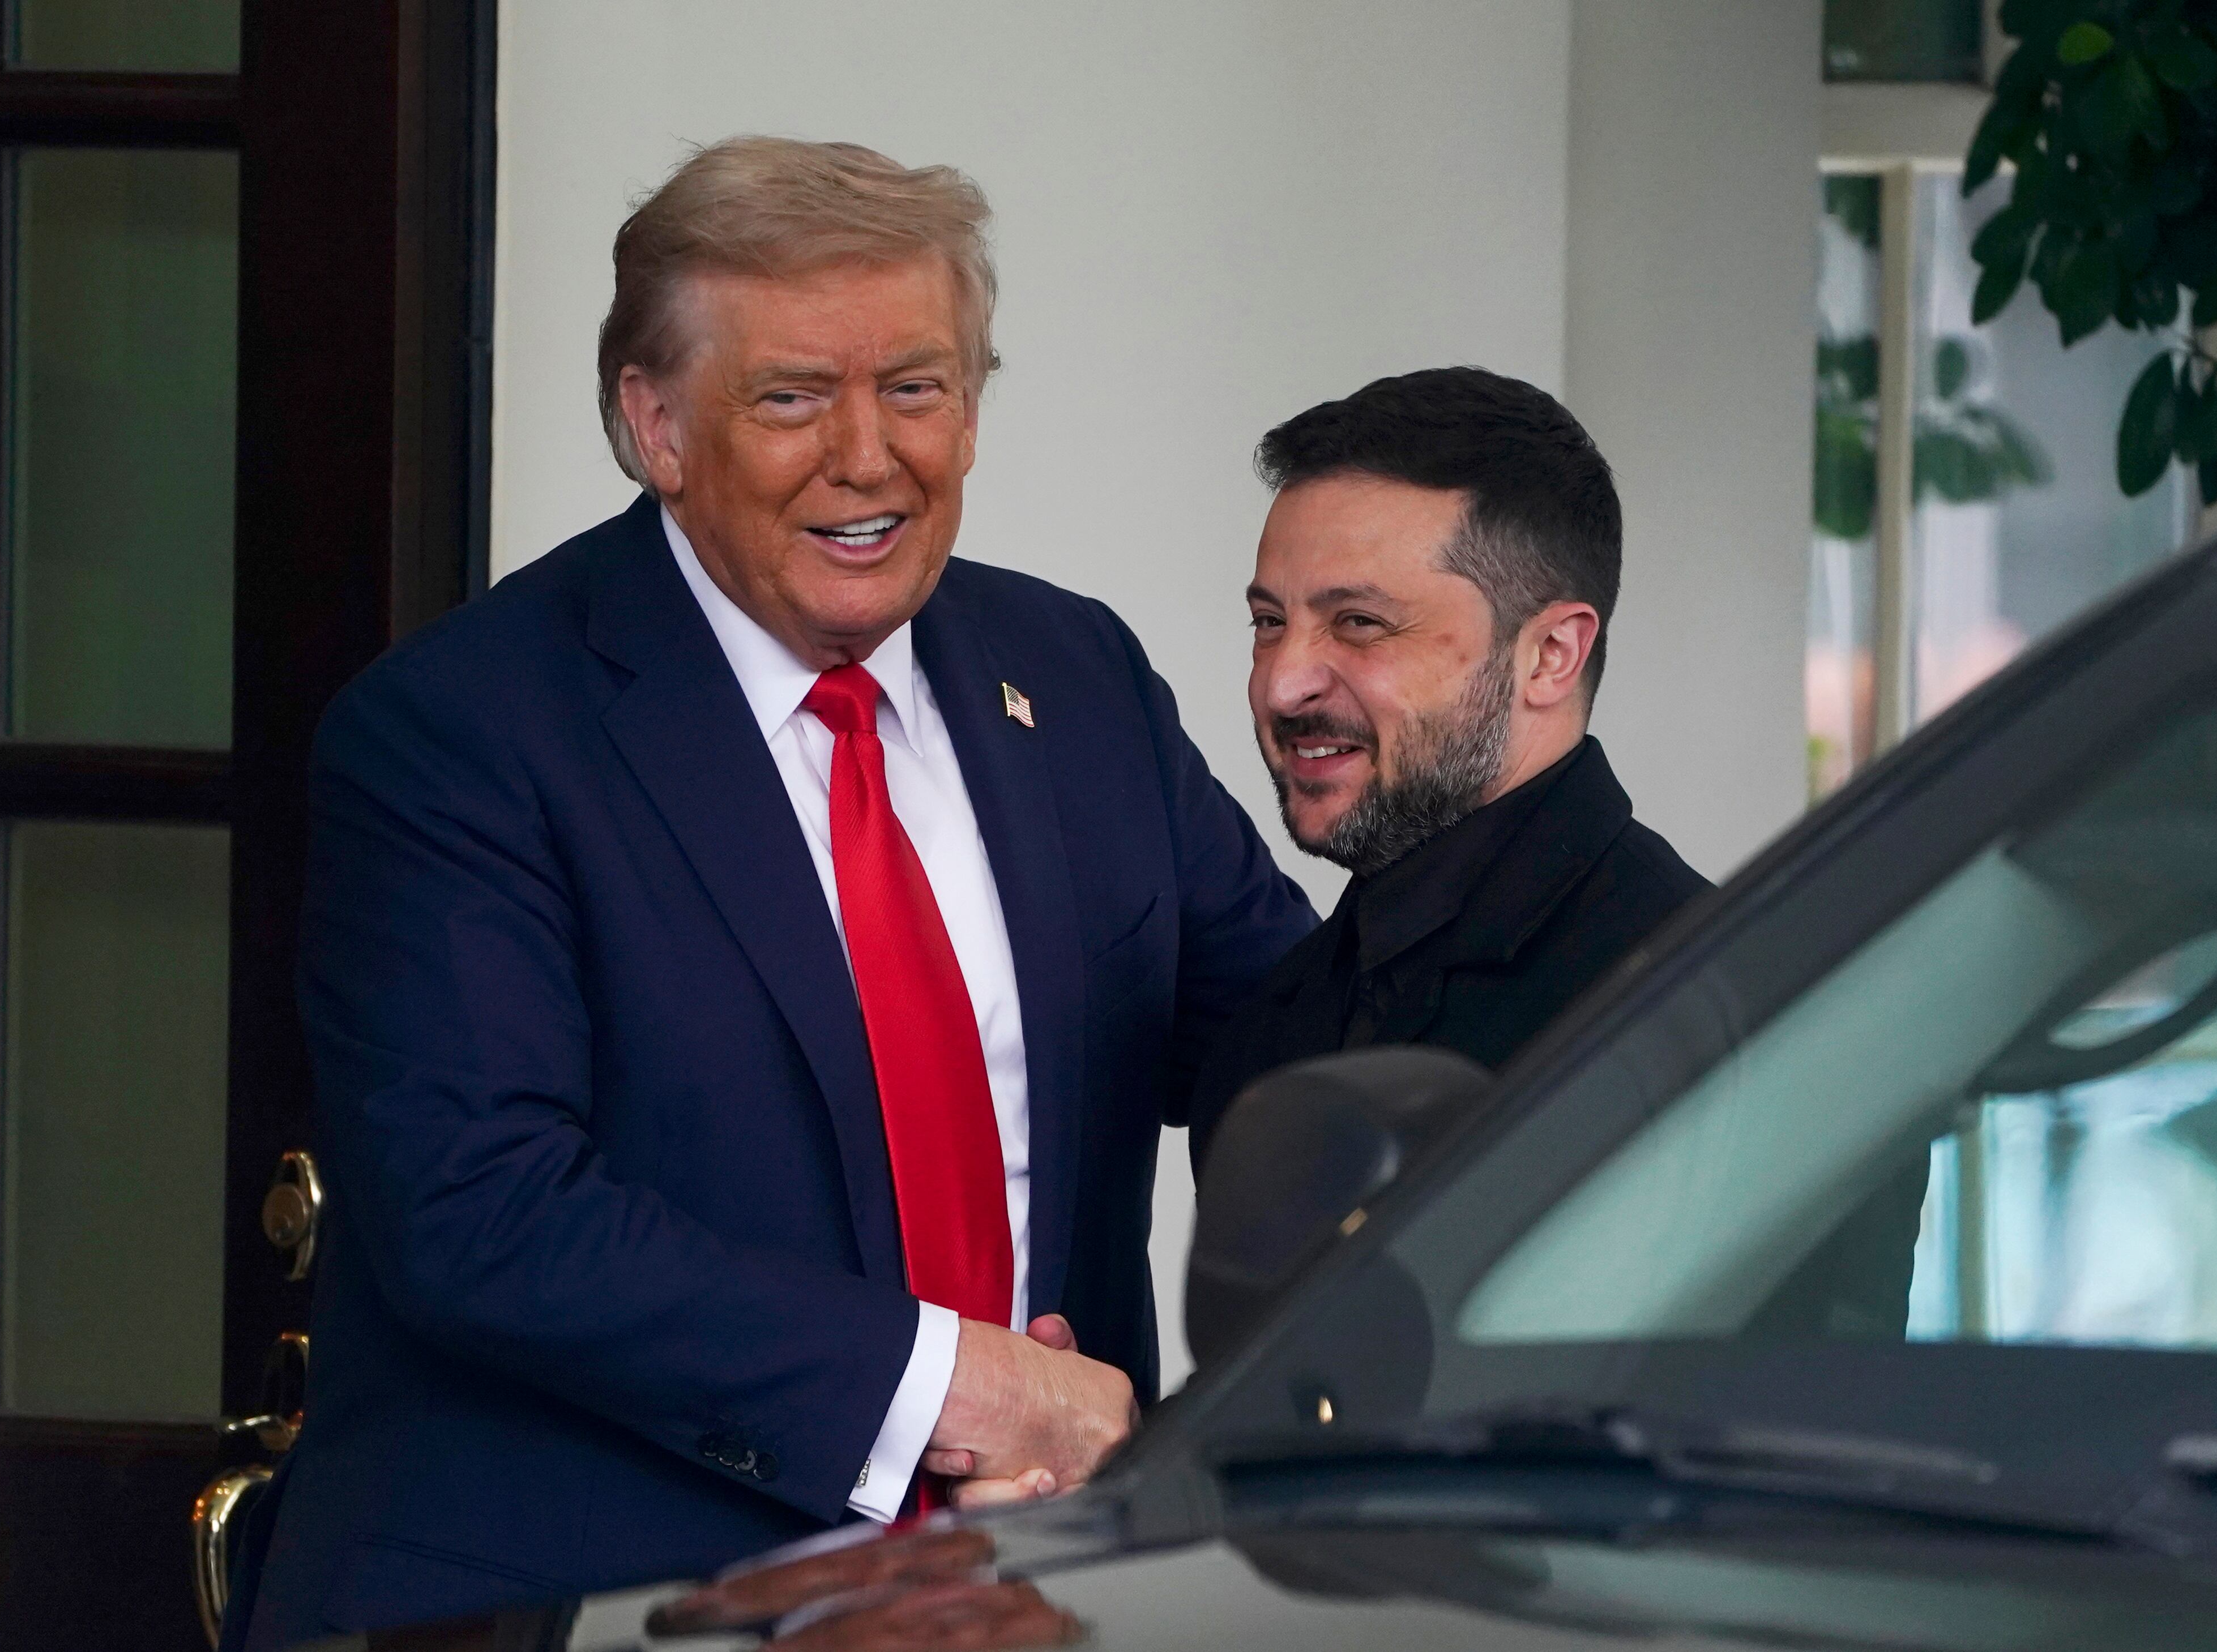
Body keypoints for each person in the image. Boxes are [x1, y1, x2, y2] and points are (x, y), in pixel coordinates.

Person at [228, 138, 1314, 1649]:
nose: (869, 456)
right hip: (589, 1601)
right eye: (793, 396)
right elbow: (483, 1213)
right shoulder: (458, 734)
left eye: (918, 387)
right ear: (654, 423)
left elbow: (1296, 1047)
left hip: (1027, 1598)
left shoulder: (1075, 679)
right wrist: (963, 1385)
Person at [1187, 367, 1709, 1170]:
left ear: (1549, 654)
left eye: (1358, 623)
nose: (1281, 682)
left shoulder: (1718, 1016)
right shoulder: (1273, 1024)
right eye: (1268, 621)